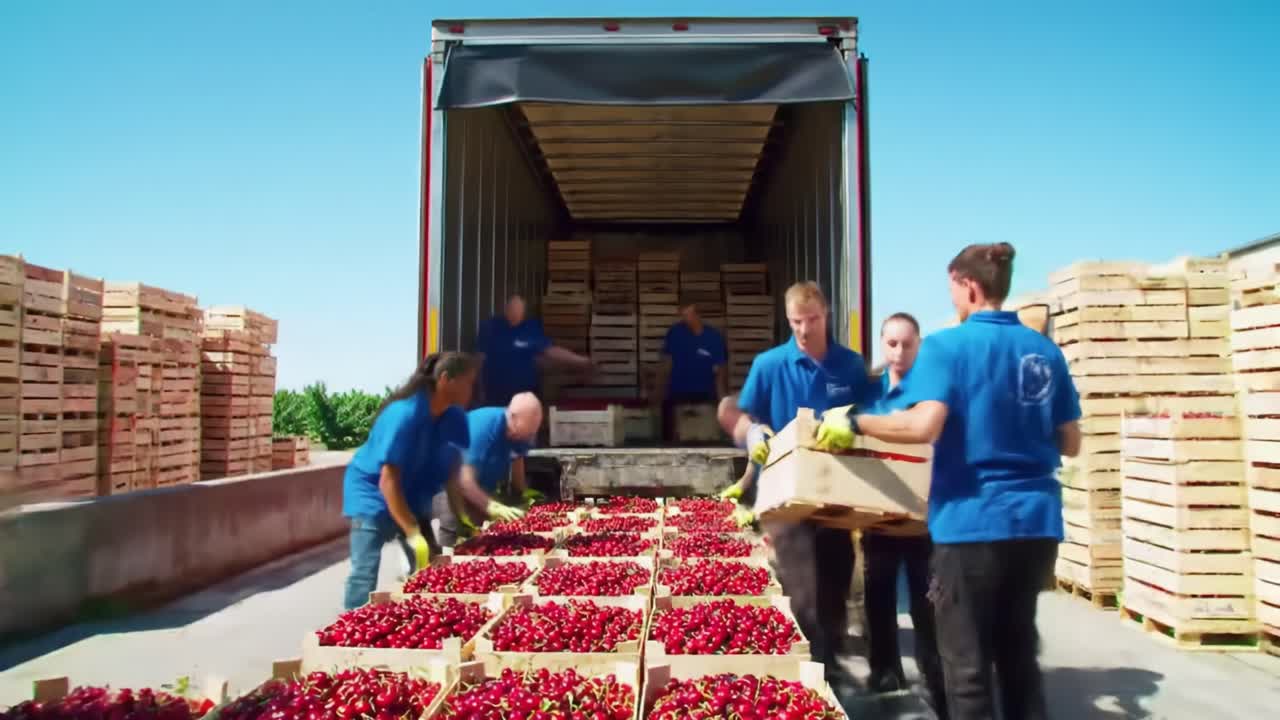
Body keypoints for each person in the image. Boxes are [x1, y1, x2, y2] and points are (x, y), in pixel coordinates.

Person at [822, 243, 1082, 720]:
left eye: (952, 289)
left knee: (966, 664)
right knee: (1019, 654)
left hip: (972, 521)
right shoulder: (1044, 351)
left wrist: (856, 423)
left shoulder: (948, 344)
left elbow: (923, 426)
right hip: (1037, 523)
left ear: (969, 286)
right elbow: (1071, 442)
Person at [716, 281, 878, 704]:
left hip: (837, 493)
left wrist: (860, 424)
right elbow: (738, 413)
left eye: (812, 320)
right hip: (786, 495)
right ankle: (814, 678)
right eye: (796, 322)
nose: (804, 330)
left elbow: (873, 415)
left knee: (837, 578)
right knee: (801, 586)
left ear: (826, 315)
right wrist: (750, 432)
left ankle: (832, 657)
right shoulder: (771, 364)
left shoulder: (850, 366)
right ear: (787, 321)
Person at [859, 312, 948, 719]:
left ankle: (936, 679)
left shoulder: (932, 391)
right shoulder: (870, 391)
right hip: (878, 510)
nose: (898, 352)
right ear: (882, 343)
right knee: (878, 595)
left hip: (921, 517)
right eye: (891, 343)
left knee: (926, 603)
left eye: (906, 344)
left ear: (919, 344)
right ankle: (885, 671)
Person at [340, 353, 476, 610]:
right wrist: (412, 531)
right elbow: (388, 480)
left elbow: (452, 473)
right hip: (373, 495)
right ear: (446, 379)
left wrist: (462, 516)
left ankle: (419, 616)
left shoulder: (455, 418)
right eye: (468, 382)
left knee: (430, 563)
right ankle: (350, 636)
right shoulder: (403, 414)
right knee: (364, 572)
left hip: (412, 497)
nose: (472, 389)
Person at [433, 392, 545, 548]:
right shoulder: (483, 428)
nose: (525, 439)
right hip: (451, 485)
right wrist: (491, 506)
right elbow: (464, 481)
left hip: (479, 486)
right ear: (511, 417)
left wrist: (521, 496)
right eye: (522, 434)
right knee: (452, 531)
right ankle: (443, 564)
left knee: (483, 535)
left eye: (529, 435)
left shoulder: (522, 431)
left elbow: (517, 459)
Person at [475, 293, 592, 407]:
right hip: (496, 397)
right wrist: (480, 389)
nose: (516, 312)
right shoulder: (490, 328)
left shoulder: (531, 327)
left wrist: (581, 361)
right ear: (505, 308)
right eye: (512, 307)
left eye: (520, 308)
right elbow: (480, 359)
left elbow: (550, 350)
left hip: (525, 397)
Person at [655, 302, 728, 441]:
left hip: (705, 394)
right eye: (683, 315)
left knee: (706, 434)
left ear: (698, 315)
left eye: (689, 315)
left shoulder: (713, 338)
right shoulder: (675, 333)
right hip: (677, 393)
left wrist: (722, 400)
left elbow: (720, 371)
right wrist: (658, 391)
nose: (685, 319)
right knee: (669, 432)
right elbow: (665, 364)